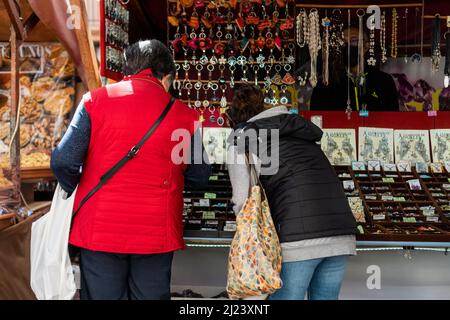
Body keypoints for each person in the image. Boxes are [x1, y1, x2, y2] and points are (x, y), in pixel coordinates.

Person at [51, 39, 210, 300]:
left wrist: (79, 184)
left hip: (99, 228)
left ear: (127, 70)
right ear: (167, 77)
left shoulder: (94, 101)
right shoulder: (184, 117)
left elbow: (63, 161)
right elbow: (200, 176)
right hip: (155, 230)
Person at [227, 85, 357, 300]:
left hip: (298, 238)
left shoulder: (242, 137)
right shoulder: (301, 132)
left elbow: (242, 199)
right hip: (341, 233)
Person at [310, 27, 399, 111]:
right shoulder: (326, 83)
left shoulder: (383, 81)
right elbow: (315, 119)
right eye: (343, 42)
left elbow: (393, 118)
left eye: (354, 41)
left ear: (366, 46)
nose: (348, 46)